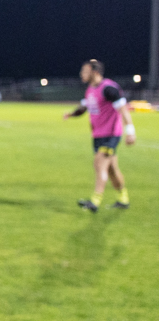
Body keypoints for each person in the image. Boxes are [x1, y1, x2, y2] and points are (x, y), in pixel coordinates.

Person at [64, 59, 135, 212]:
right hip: (98, 135)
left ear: (94, 72)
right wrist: (71, 114)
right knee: (112, 170)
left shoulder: (109, 89)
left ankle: (95, 202)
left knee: (99, 164)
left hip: (111, 135)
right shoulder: (90, 89)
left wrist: (130, 131)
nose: (81, 74)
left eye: (84, 71)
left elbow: (123, 109)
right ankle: (123, 199)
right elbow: (84, 107)